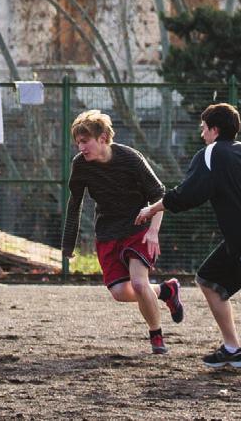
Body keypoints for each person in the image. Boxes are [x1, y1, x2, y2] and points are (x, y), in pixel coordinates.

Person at [136, 102, 241, 369]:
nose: (201, 134)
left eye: (203, 128)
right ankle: (233, 349)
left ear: (214, 129)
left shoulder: (211, 153)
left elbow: (188, 194)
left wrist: (152, 208)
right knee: (209, 279)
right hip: (238, 242)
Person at [62, 110, 184, 355]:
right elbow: (74, 203)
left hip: (138, 227)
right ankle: (166, 291)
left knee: (139, 283)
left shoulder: (130, 158)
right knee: (119, 293)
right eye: (78, 143)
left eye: (85, 141)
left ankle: (156, 335)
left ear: (103, 138)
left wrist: (153, 231)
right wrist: (68, 244)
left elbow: (159, 195)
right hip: (108, 231)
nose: (80, 147)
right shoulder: (80, 166)